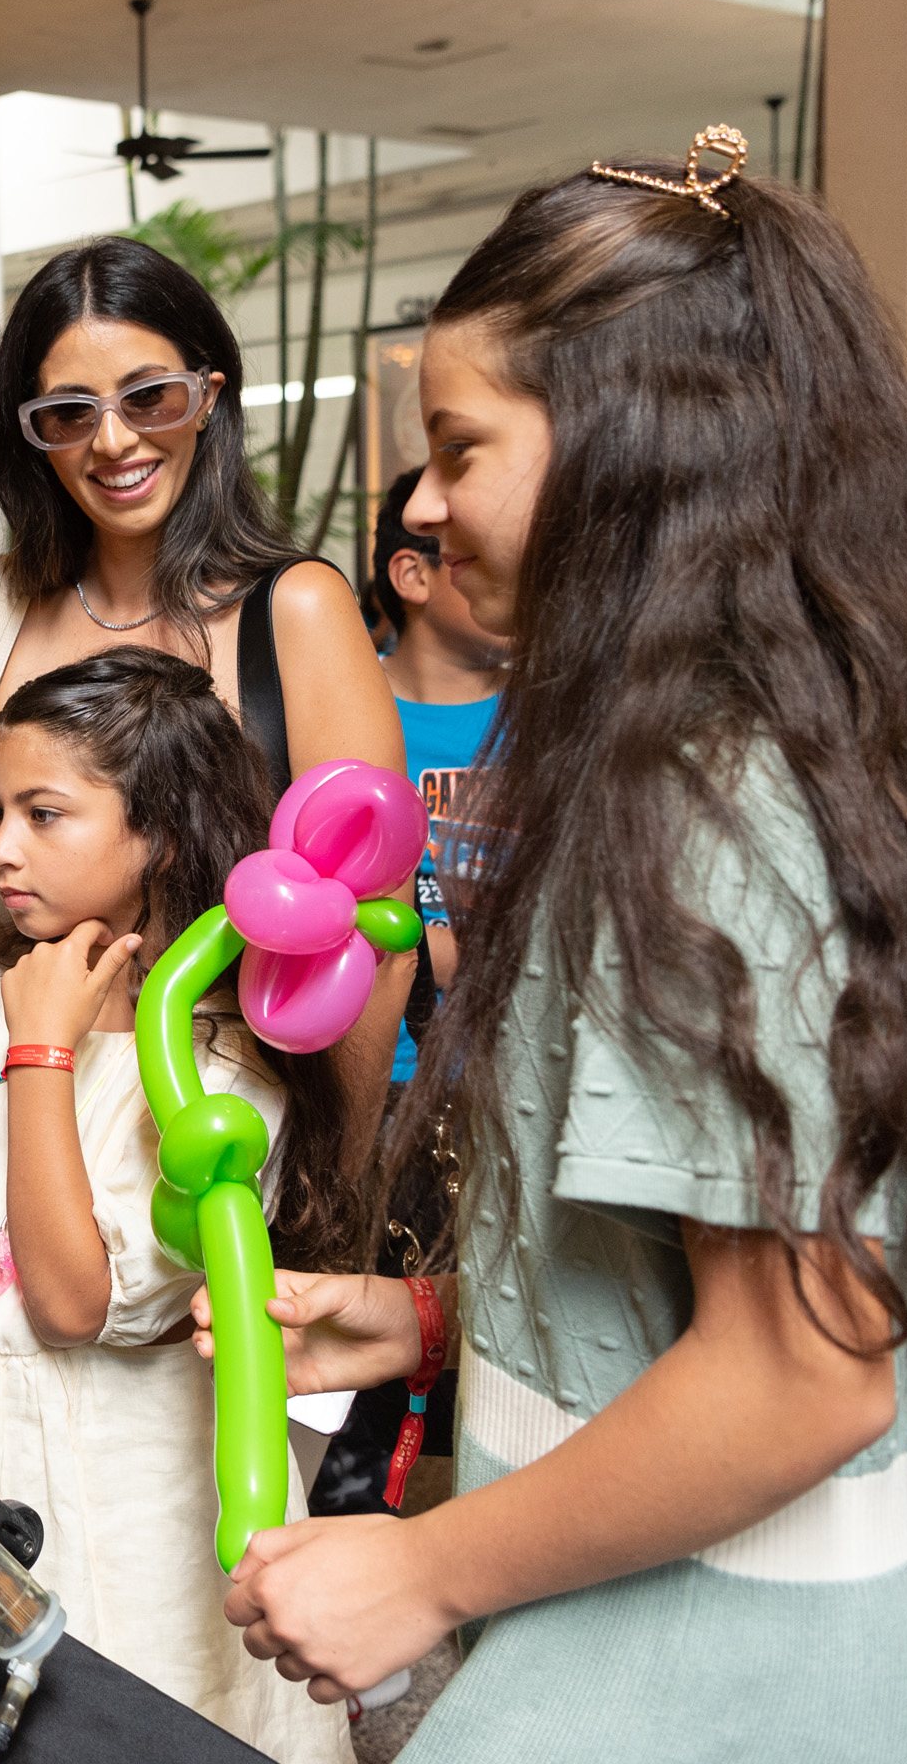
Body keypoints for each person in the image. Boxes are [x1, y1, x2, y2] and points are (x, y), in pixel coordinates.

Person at [201, 134, 907, 1761]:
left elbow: (807, 1377)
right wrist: (434, 1323)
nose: (424, 508)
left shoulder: (717, 804)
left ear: (634, 446)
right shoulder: (700, 761)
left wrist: (422, 1565)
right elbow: (726, 1249)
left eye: (460, 446)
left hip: (715, 1677)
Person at [0, 648, 353, 1761]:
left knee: (133, 1722)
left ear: (167, 836)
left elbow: (69, 1298)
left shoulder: (218, 1077)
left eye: (47, 813)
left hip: (134, 1505)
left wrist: (40, 1052)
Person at [0, 237, 407, 1156]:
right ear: (30, 434)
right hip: (3, 1101)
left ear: (208, 398)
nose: (113, 441)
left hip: (223, 1126)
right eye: (70, 413)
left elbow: (375, 935)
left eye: (149, 397)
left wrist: (336, 1190)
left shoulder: (297, 610)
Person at [310, 467, 510, 1516]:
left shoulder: (550, 720)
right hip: (378, 1075)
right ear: (412, 572)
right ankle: (349, 1531)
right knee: (376, 1334)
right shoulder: (349, 712)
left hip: (509, 1083)